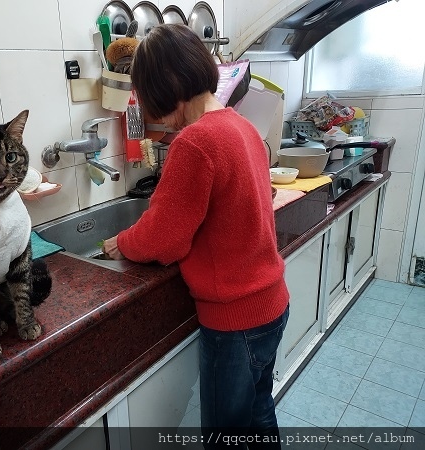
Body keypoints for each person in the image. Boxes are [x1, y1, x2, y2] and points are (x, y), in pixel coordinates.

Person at [102, 24, 290, 449]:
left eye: (151, 97)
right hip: (272, 303)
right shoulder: (240, 126)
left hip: (235, 322)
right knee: (259, 415)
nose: (153, 112)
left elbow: (163, 240)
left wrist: (125, 241)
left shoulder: (195, 142)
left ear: (167, 86)